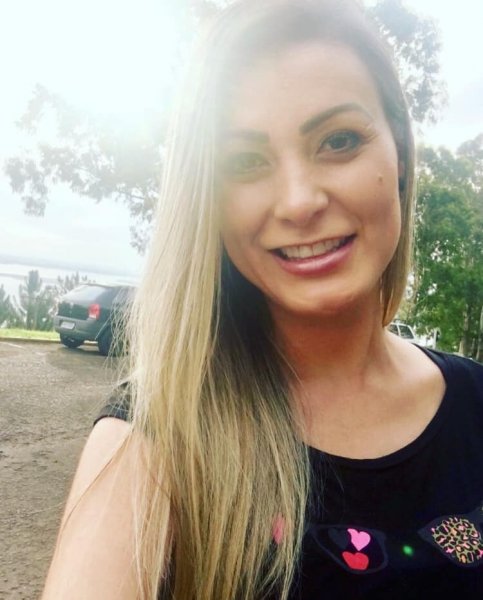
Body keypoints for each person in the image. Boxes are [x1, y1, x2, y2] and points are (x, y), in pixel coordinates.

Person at [41, 1, 483, 598]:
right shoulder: (158, 435)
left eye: (339, 140)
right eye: (246, 162)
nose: (299, 202)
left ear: (400, 153)